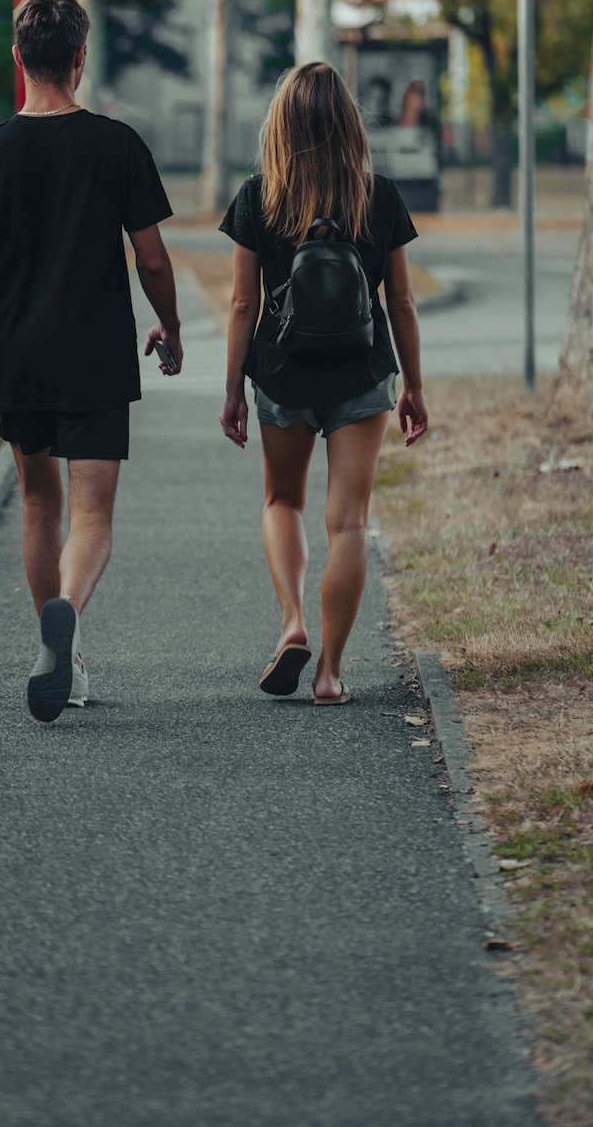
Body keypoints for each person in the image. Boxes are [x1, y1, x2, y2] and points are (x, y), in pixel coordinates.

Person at [0, 0, 183, 724]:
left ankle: (59, 650)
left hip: (21, 355)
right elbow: (150, 257)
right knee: (92, 515)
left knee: (40, 503)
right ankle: (69, 618)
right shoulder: (117, 145)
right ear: (80, 59)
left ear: (20, 59)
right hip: (99, 353)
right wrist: (170, 326)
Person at [218, 61, 428, 706]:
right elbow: (401, 303)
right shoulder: (379, 195)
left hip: (282, 373)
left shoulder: (260, 196)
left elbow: (241, 305)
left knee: (284, 502)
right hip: (361, 374)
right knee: (349, 524)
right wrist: (414, 387)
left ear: (281, 124)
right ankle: (331, 674)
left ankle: (293, 624)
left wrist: (232, 391)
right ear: (347, 122)